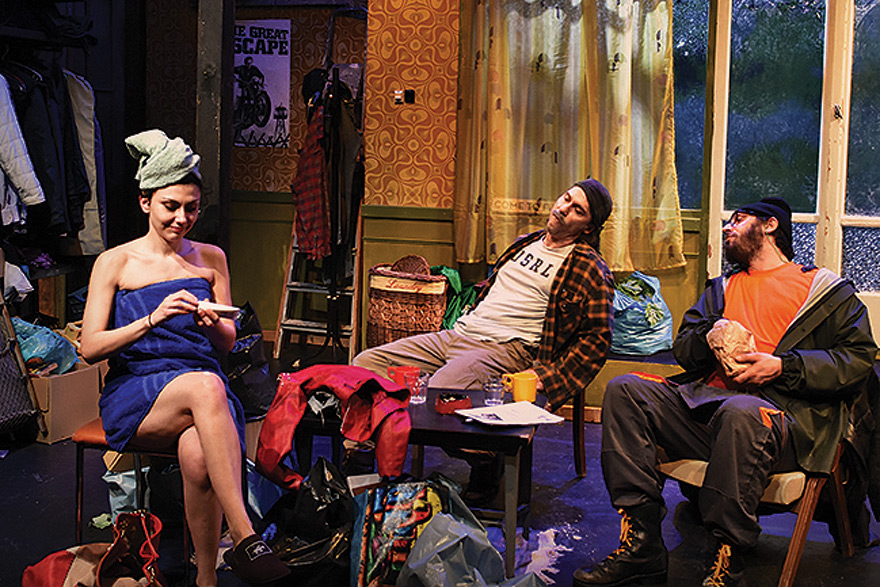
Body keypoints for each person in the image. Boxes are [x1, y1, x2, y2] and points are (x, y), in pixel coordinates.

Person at [574, 196, 877, 587]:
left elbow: (858, 359)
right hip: (705, 410)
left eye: (738, 219)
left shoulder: (824, 290)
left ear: (769, 225)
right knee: (626, 389)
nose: (727, 227)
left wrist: (783, 366)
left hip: (782, 420)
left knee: (741, 412)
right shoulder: (721, 289)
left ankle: (725, 561)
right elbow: (684, 349)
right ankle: (642, 545)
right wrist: (709, 334)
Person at [80, 130, 289, 587]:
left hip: (201, 392)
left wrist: (210, 321)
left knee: (197, 451)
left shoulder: (211, 259)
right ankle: (245, 535)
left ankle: (205, 579)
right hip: (138, 392)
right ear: (145, 202)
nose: (182, 218)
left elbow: (228, 342)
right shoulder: (115, 262)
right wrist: (151, 318)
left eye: (191, 208)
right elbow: (89, 347)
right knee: (207, 386)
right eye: (170, 206)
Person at [352, 179, 616, 503]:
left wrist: (547, 378)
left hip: (505, 348)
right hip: (459, 333)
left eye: (577, 210)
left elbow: (597, 340)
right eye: (566, 198)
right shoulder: (525, 243)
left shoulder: (589, 268)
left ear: (589, 227)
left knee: (439, 398)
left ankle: (488, 459)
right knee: (365, 365)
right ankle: (359, 465)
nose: (563, 209)